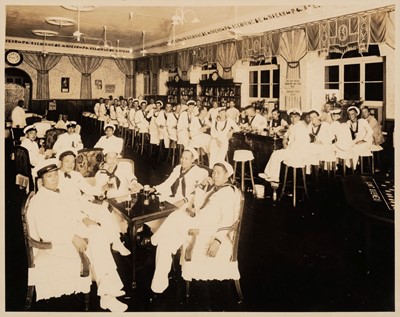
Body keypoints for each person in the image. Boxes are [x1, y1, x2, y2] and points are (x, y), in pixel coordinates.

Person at [28, 159, 128, 312]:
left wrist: (84, 219)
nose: (54, 178)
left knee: (99, 232)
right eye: (49, 176)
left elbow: (68, 211)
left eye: (56, 174)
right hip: (56, 244)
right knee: (97, 242)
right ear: (41, 181)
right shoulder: (40, 200)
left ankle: (108, 286)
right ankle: (107, 295)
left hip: (67, 232)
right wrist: (72, 237)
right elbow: (46, 232)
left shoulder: (52, 193)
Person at [149, 161, 238, 295]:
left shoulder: (228, 192)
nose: (214, 175)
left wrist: (218, 240)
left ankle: (153, 240)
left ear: (227, 176)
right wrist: (202, 186)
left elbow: (228, 220)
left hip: (206, 232)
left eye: (219, 173)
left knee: (175, 216)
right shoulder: (214, 188)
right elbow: (198, 205)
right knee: (165, 244)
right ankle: (158, 285)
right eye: (213, 172)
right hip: (197, 223)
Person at [56, 148, 130, 256]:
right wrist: (82, 217)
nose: (70, 164)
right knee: (98, 225)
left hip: (82, 203)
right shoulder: (55, 177)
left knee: (103, 211)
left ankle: (116, 243)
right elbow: (61, 203)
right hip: (70, 210)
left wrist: (103, 188)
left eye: (73, 161)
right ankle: (106, 249)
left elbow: (89, 189)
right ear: (60, 161)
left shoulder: (76, 175)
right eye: (67, 161)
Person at [259, 108, 310, 186]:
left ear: (299, 117)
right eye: (292, 117)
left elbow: (299, 143)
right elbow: (286, 134)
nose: (293, 119)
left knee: (276, 154)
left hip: (298, 152)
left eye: (295, 117)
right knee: (276, 153)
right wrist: (284, 140)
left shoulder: (301, 127)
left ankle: (271, 175)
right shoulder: (293, 125)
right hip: (292, 149)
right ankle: (272, 176)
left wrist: (287, 147)